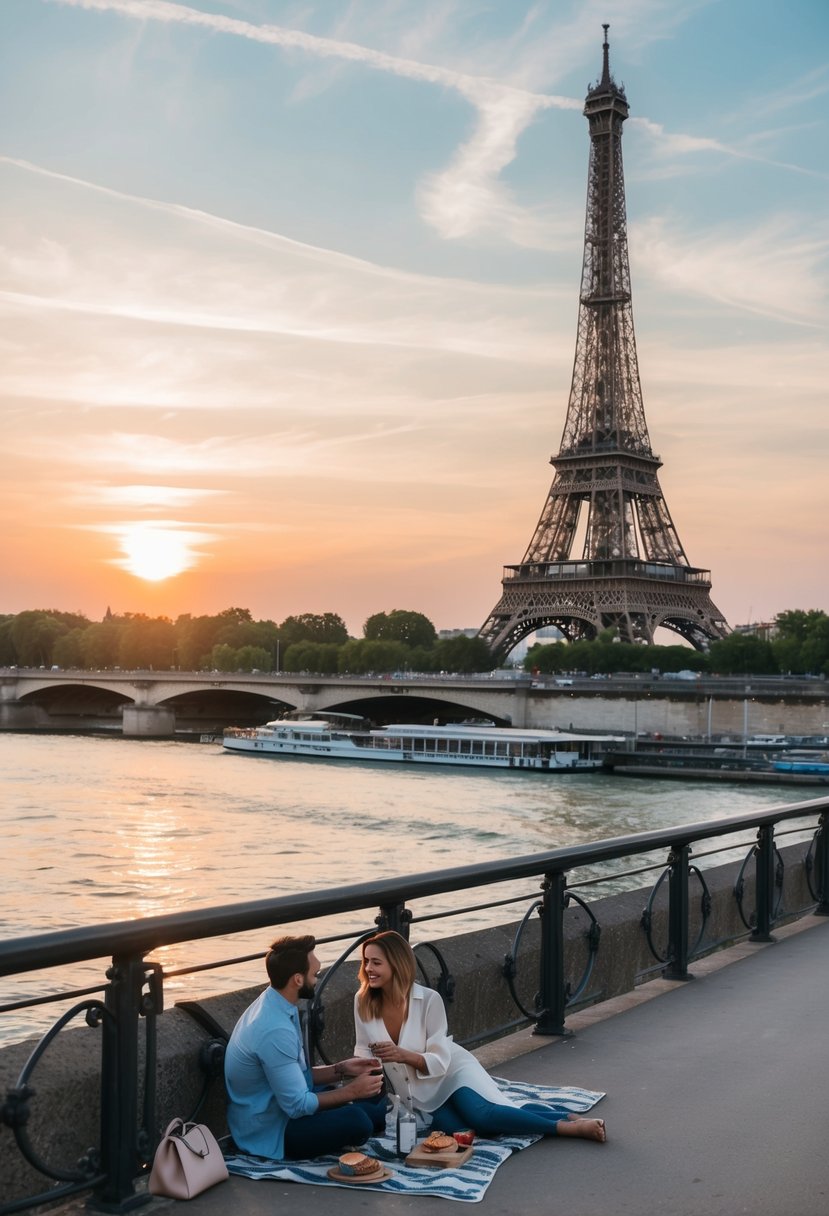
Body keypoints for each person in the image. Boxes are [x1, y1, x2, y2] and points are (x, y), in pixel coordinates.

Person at [353, 930, 606, 1143]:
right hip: (418, 1095)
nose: (368, 968)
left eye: (376, 962)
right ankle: (562, 1114)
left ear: (397, 964)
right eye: (366, 961)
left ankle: (567, 1127)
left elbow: (440, 1060)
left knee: (483, 1115)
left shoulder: (429, 1000)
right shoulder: (363, 1001)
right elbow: (363, 1051)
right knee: (464, 1130)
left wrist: (402, 1055)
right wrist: (355, 1078)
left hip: (451, 1071)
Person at [225, 934, 386, 1159]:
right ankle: (370, 1115)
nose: (317, 980)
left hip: (277, 1106)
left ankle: (371, 1112)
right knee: (358, 1121)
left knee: (368, 1089)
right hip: (271, 1131)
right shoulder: (275, 1030)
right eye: (315, 974)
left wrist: (342, 1069)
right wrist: (351, 1091)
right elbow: (298, 1105)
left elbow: (298, 1077)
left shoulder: (275, 1002)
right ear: (297, 980)